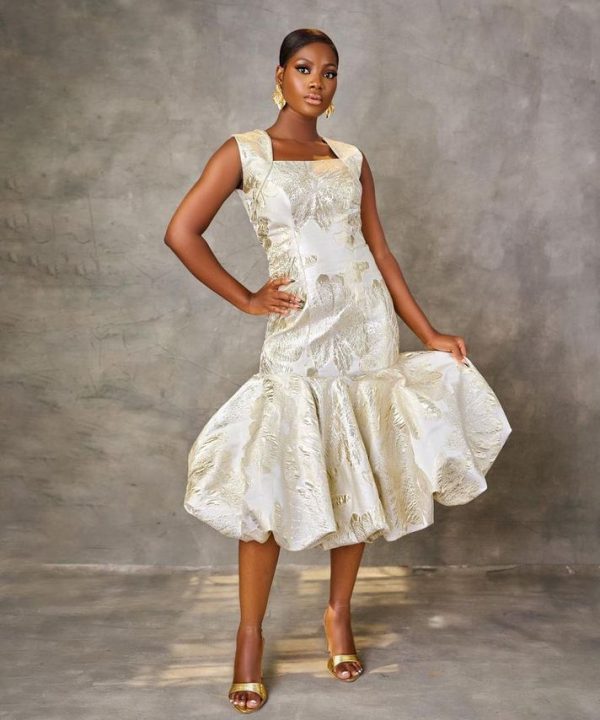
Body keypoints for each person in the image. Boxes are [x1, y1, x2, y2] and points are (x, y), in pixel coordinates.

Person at [164, 27, 511, 714]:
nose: (317, 83)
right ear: (280, 76)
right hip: (300, 338)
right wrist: (246, 298)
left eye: (329, 72)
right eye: (304, 69)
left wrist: (427, 332)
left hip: (365, 333)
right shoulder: (245, 152)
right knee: (269, 483)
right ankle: (249, 635)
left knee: (358, 476)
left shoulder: (350, 158)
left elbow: (379, 251)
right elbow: (181, 232)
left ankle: (337, 614)